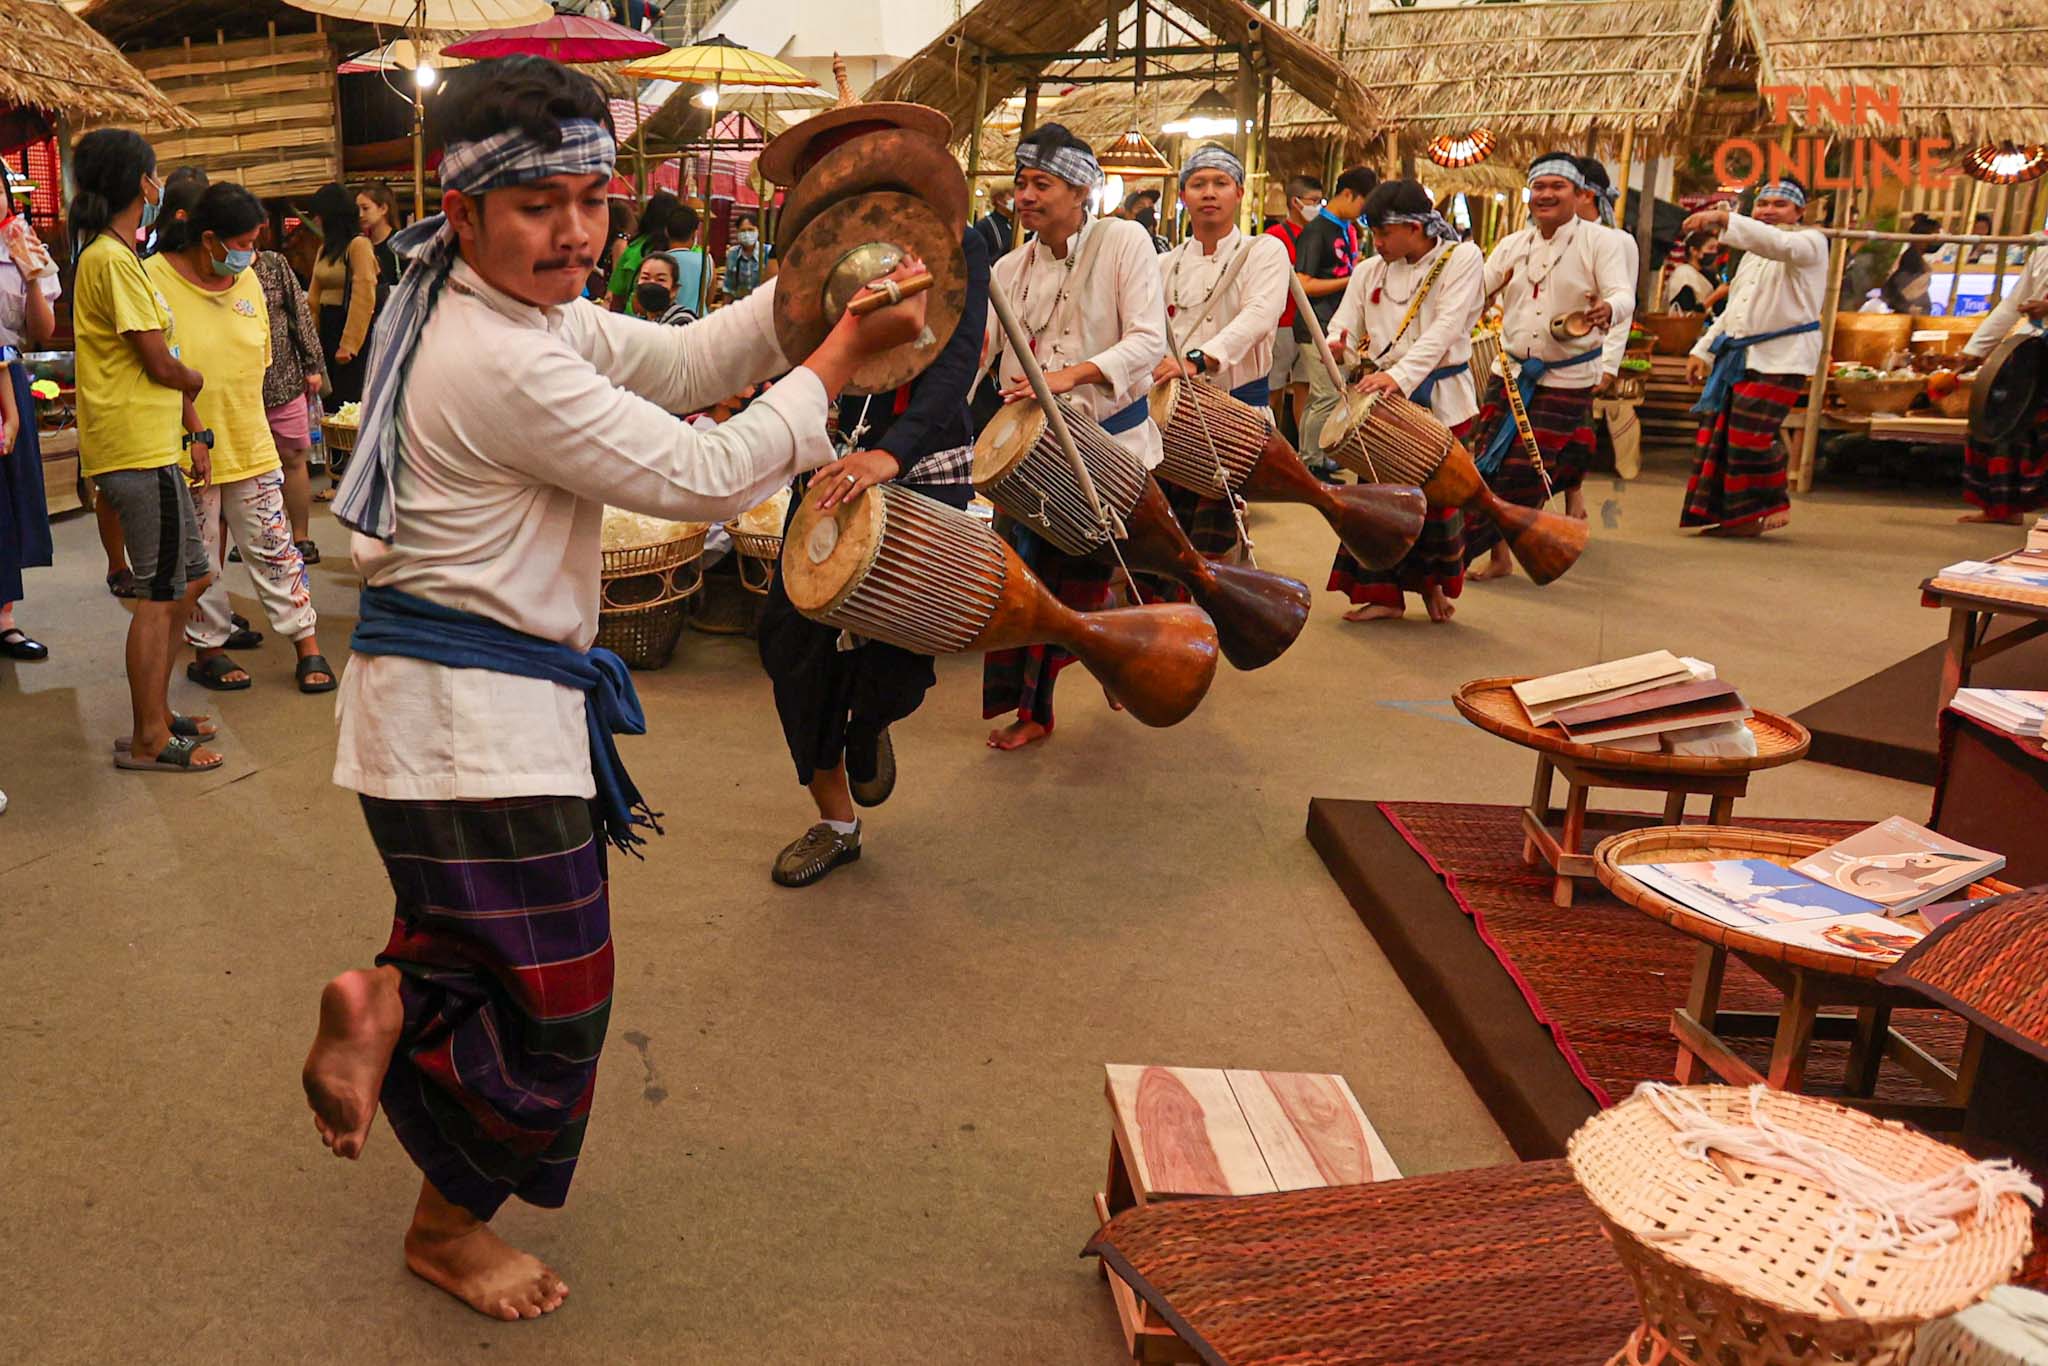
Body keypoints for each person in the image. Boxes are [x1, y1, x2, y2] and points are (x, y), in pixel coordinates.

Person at [299, 55, 927, 1320]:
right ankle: (444, 1226)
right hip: (473, 732)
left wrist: (814, 298)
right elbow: (708, 473)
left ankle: (387, 1005)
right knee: (560, 1005)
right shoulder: (498, 358)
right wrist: (840, 358)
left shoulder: (518, 312)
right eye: (539, 205)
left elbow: (688, 360)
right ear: (464, 211)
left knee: (485, 953)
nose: (577, 230)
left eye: (592, 196)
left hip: (448, 724)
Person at [760, 208, 991, 886]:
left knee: (903, 647)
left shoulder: (959, 239)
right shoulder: (818, 236)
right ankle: (836, 824)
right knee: (789, 638)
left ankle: (869, 725)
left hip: (922, 460)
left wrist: (892, 452)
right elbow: (792, 336)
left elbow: (958, 360)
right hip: (831, 457)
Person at [980, 123, 1166, 752]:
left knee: (1105, 581)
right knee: (1035, 595)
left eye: (1042, 183)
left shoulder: (1124, 240)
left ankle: (1126, 658)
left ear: (1083, 189)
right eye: (1020, 183)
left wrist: (1064, 377)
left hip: (1112, 454)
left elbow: (1147, 342)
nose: (1025, 196)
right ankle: (1037, 710)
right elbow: (981, 356)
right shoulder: (1007, 268)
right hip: (1035, 464)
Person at [69, 128, 223, 773]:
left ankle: (156, 715)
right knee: (161, 594)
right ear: (141, 184)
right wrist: (193, 381)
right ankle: (149, 739)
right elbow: (158, 361)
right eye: (153, 176)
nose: (158, 187)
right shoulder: (109, 258)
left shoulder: (115, 255)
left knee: (192, 576)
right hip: (133, 443)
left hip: (149, 440)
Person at [147, 182, 334, 695]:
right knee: (201, 561)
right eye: (243, 243)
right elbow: (155, 365)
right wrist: (196, 429)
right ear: (208, 239)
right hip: (188, 448)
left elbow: (259, 360)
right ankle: (209, 650)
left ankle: (307, 644)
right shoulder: (153, 279)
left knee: (276, 550)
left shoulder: (250, 279)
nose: (249, 253)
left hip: (249, 441)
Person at [1323, 178, 1484, 624]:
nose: (1375, 243)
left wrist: (1400, 375)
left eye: (1382, 233)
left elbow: (1447, 327)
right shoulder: (1369, 270)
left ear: (1415, 227)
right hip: (1380, 404)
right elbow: (1344, 323)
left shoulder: (1461, 258)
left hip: (1441, 398)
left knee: (1436, 506)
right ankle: (1385, 596)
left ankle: (1433, 587)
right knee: (1380, 505)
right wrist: (1339, 344)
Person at [1466, 152, 1633, 576]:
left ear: (1580, 195)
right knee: (1487, 464)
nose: (1546, 194)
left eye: (1557, 186)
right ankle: (1500, 556)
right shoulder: (1513, 244)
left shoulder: (1603, 242)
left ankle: (1484, 550)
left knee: (1521, 474)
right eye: (1538, 187)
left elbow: (1622, 294)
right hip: (1509, 372)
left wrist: (1609, 308)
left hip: (1567, 377)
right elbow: (1475, 292)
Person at [1149, 144, 1292, 557]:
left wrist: (1198, 360)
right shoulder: (1164, 264)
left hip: (1235, 415)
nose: (1208, 192)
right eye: (1197, 184)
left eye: (1220, 183)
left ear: (1240, 193)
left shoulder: (1263, 251)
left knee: (1217, 543)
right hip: (1169, 416)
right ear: (1183, 197)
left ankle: (1217, 618)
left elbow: (1260, 315)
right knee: (1165, 537)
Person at [1680, 178, 1826, 537]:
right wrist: (1702, 350)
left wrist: (1723, 219)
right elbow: (1733, 312)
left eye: (1780, 204)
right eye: (1763, 204)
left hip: (1784, 356)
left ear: (1799, 212)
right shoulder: (1751, 257)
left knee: (1750, 436)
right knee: (1722, 436)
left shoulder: (1810, 242)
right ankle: (1738, 517)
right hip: (1742, 355)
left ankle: (1770, 503)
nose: (1769, 211)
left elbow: (1778, 244)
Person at [0, 175, 59, 662]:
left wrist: (32, 273)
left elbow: (42, 332)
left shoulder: (22, 246)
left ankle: (5, 620)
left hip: (9, 378)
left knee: (10, 496)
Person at [1958, 235, 2048, 524]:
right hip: (2036, 346)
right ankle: (2001, 508)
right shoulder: (2043, 252)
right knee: (1997, 418)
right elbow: (2012, 305)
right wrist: (1975, 351)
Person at [1294, 165, 1376, 461]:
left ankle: (1315, 456)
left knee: (1327, 395)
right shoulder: (1316, 231)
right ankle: (1310, 460)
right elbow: (1301, 283)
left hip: (1335, 325)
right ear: (1348, 194)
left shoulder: (1349, 230)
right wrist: (1351, 280)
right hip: (1315, 324)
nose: (1364, 212)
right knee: (1325, 396)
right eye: (1363, 203)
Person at [254, 238, 326, 563]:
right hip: (239, 389)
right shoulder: (212, 275)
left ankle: (301, 537)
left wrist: (313, 365)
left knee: (294, 458)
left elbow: (300, 313)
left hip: (284, 380)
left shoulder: (273, 265)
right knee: (250, 470)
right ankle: (258, 537)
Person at [306, 182, 381, 405]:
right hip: (327, 329)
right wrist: (311, 342)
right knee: (329, 399)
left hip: (349, 329)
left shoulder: (359, 245)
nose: (316, 221)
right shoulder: (325, 249)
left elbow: (364, 295)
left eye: (319, 215)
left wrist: (349, 344)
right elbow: (313, 298)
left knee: (349, 398)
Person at [1573, 156, 1639, 406]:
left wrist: (1609, 365)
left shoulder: (1618, 241)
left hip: (1589, 359)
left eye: (1562, 187)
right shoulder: (1552, 237)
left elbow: (1622, 306)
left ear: (1587, 195)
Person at [1265, 174, 1323, 444]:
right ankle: (1267, 444)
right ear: (1295, 202)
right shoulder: (1273, 237)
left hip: (1309, 326)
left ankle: (1304, 453)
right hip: (1282, 323)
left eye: (1321, 201)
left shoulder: (1318, 235)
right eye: (1314, 201)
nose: (1318, 207)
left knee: (1305, 389)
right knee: (1272, 388)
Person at [604, 189, 679, 309]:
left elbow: (617, 295)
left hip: (633, 319)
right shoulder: (690, 251)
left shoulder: (633, 248)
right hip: (676, 319)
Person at [1881, 214, 1940, 316]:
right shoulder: (1911, 259)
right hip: (1909, 315)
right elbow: (1904, 290)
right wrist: (1910, 308)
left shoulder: (1916, 257)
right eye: (1936, 237)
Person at [356, 180, 403, 288]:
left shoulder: (401, 243)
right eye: (357, 209)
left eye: (365, 208)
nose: (360, 214)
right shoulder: (361, 245)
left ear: (383, 208)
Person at [1662, 231, 1719, 313]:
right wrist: (1715, 296)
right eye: (1710, 248)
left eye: (1716, 249)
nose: (1714, 252)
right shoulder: (1683, 275)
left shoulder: (1710, 276)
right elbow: (1685, 313)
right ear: (1694, 251)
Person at [721, 213, 767, 302]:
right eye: (743, 231)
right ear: (737, 232)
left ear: (758, 230)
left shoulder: (767, 252)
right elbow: (728, 288)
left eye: (750, 230)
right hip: (741, 306)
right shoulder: (732, 254)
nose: (746, 234)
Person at [975, 183, 1015, 261]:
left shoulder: (1020, 225)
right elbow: (980, 260)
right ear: (999, 200)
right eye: (1012, 195)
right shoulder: (984, 226)